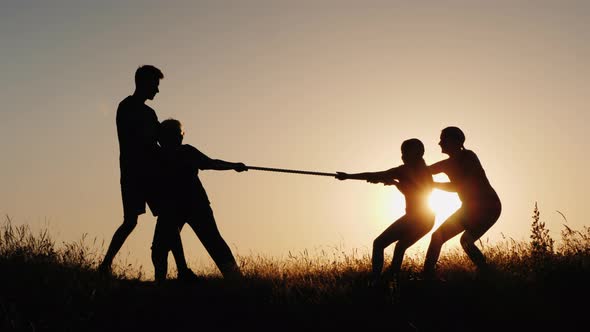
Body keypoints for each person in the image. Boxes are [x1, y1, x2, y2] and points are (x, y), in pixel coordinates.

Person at [98, 65, 190, 277]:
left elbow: (160, 139)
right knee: (131, 221)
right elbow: (142, 141)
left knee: (167, 216)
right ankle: (105, 265)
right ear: (144, 83)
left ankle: (182, 269)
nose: (157, 90)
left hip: (149, 173)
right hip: (134, 174)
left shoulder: (149, 113)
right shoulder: (127, 107)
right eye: (155, 85)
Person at [151, 118, 247, 282]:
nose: (181, 138)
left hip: (189, 206)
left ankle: (160, 283)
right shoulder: (179, 153)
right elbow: (211, 163)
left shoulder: (163, 155)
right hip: (193, 206)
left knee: (161, 248)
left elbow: (211, 163)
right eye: (179, 134)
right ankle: (236, 279)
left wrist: (233, 165)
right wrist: (233, 165)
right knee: (213, 242)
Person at [336, 139, 435, 284]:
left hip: (418, 217)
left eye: (405, 152)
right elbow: (376, 174)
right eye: (402, 153)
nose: (402, 156)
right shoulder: (409, 170)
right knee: (400, 247)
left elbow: (420, 192)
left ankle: (376, 281)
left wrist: (395, 183)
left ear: (417, 153)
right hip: (427, 219)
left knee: (379, 243)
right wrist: (349, 176)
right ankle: (390, 280)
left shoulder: (416, 171)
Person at [423, 126, 501, 279]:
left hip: (487, 207)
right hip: (471, 208)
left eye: (443, 139)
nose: (439, 143)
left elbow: (459, 186)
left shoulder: (469, 157)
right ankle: (486, 273)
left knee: (452, 238)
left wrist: (433, 184)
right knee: (457, 239)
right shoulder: (447, 164)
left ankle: (426, 277)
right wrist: (393, 176)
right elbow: (422, 172)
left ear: (454, 141)